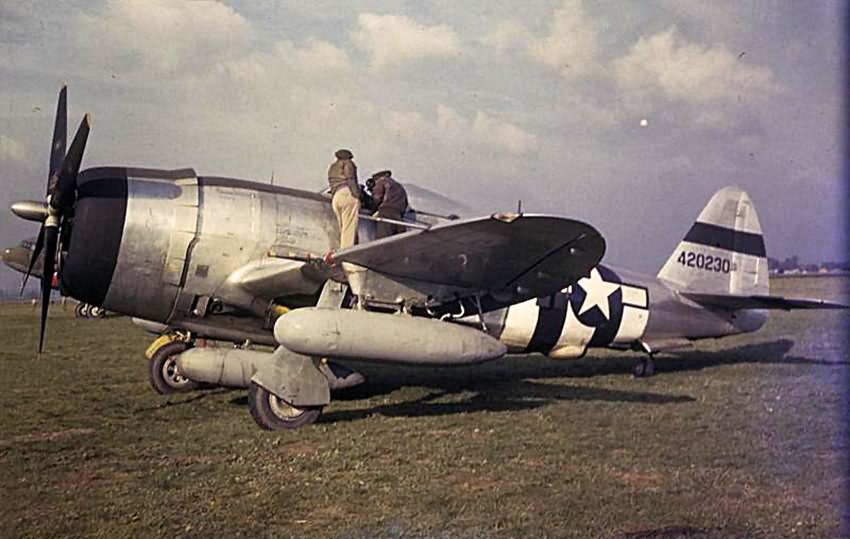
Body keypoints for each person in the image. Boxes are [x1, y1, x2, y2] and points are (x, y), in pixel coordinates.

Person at [327, 149, 360, 249]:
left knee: (342, 227)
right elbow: (350, 179)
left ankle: (340, 248)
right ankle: (346, 252)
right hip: (347, 193)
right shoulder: (348, 164)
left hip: (336, 197)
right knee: (349, 227)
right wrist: (356, 195)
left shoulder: (332, 167)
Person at [368, 170, 408, 239]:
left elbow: (377, 198)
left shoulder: (382, 181)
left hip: (385, 214)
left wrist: (371, 207)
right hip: (398, 216)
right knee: (399, 241)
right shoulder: (399, 186)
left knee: (383, 240)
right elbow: (405, 203)